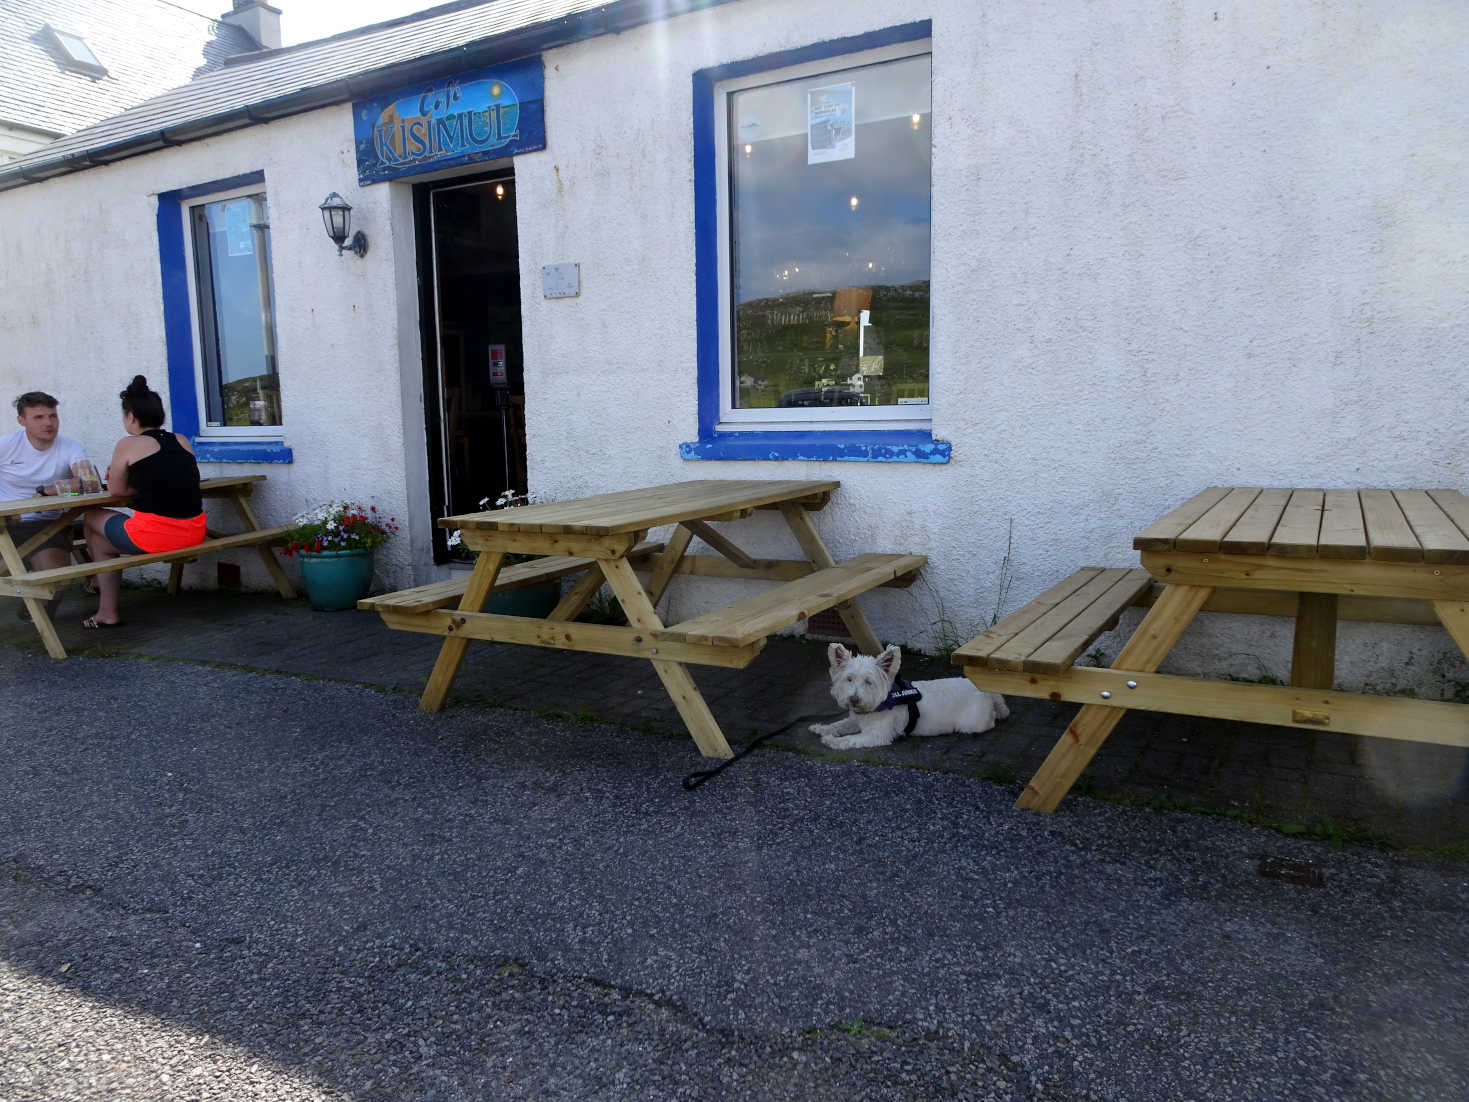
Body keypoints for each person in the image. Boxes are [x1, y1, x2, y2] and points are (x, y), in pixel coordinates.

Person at [82, 376, 205, 629]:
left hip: (157, 537)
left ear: (130, 417)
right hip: (195, 532)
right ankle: (101, 595)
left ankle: (104, 603)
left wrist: (126, 481)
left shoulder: (128, 444)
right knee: (102, 541)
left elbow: (116, 490)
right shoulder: (180, 440)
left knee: (92, 517)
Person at [2, 391, 92, 618]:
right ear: (21, 420)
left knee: (55, 579)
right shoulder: (6, 445)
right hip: (4, 524)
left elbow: (88, 482)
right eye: (39, 417)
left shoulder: (70, 447)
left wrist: (48, 491)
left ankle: (37, 608)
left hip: (47, 524)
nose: (48, 423)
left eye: (52, 416)